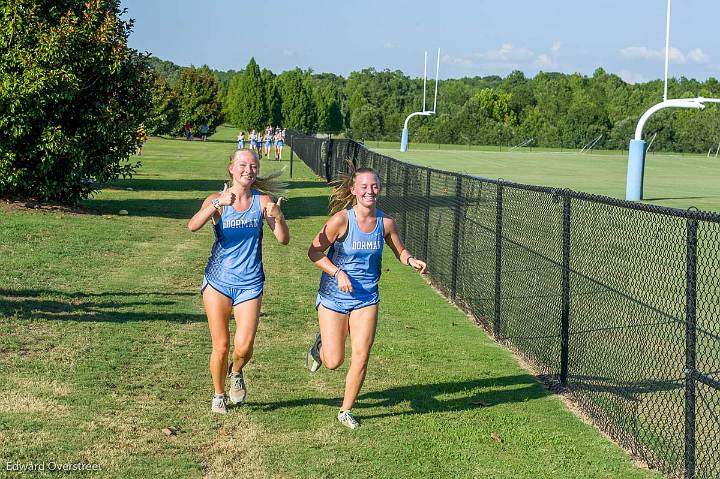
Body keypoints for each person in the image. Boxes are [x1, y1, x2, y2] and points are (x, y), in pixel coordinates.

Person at [305, 166, 427, 429]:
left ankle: (346, 410)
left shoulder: (386, 223)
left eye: (374, 186)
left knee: (361, 354)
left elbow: (400, 250)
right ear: (353, 190)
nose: (370, 191)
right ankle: (320, 347)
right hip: (334, 297)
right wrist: (337, 272)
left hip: (367, 297)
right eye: (364, 186)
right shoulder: (341, 220)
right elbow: (314, 252)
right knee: (334, 361)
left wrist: (411, 260)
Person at [188, 148, 289, 414]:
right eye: (242, 165)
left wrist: (279, 218)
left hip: (251, 282)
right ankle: (219, 394)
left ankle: (237, 371)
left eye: (253, 166)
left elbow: (283, 239)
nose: (248, 170)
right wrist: (218, 203)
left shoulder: (263, 200)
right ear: (231, 168)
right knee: (221, 345)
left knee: (243, 347)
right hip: (218, 281)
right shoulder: (217, 200)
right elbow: (192, 226)